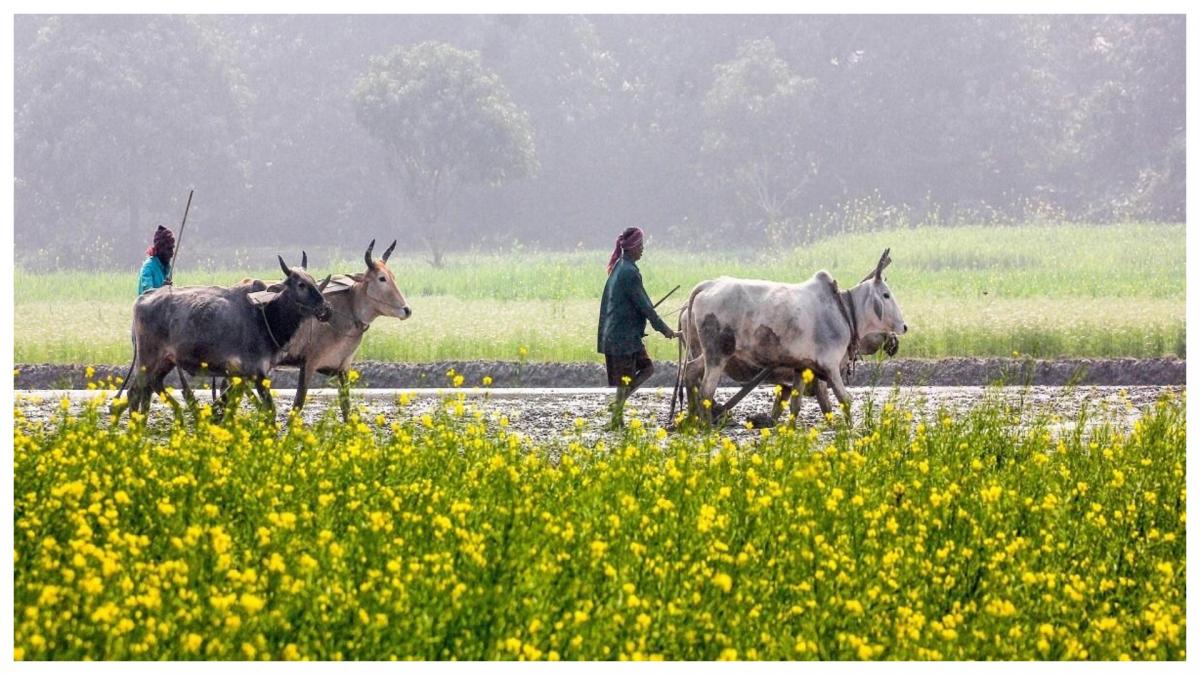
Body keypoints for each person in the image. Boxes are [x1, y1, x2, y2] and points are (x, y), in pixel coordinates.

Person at [597, 226, 676, 428]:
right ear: (632, 248)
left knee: (643, 370)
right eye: (640, 245)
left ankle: (617, 414)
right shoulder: (629, 272)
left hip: (619, 334)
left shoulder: (619, 267)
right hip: (622, 337)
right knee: (636, 375)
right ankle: (617, 411)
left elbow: (638, 305)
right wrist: (667, 331)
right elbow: (647, 308)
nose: (643, 249)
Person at [137, 225, 175, 295]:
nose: (172, 253)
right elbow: (147, 295)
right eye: (169, 249)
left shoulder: (167, 268)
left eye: (172, 248)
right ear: (160, 249)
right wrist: (162, 290)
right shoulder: (148, 268)